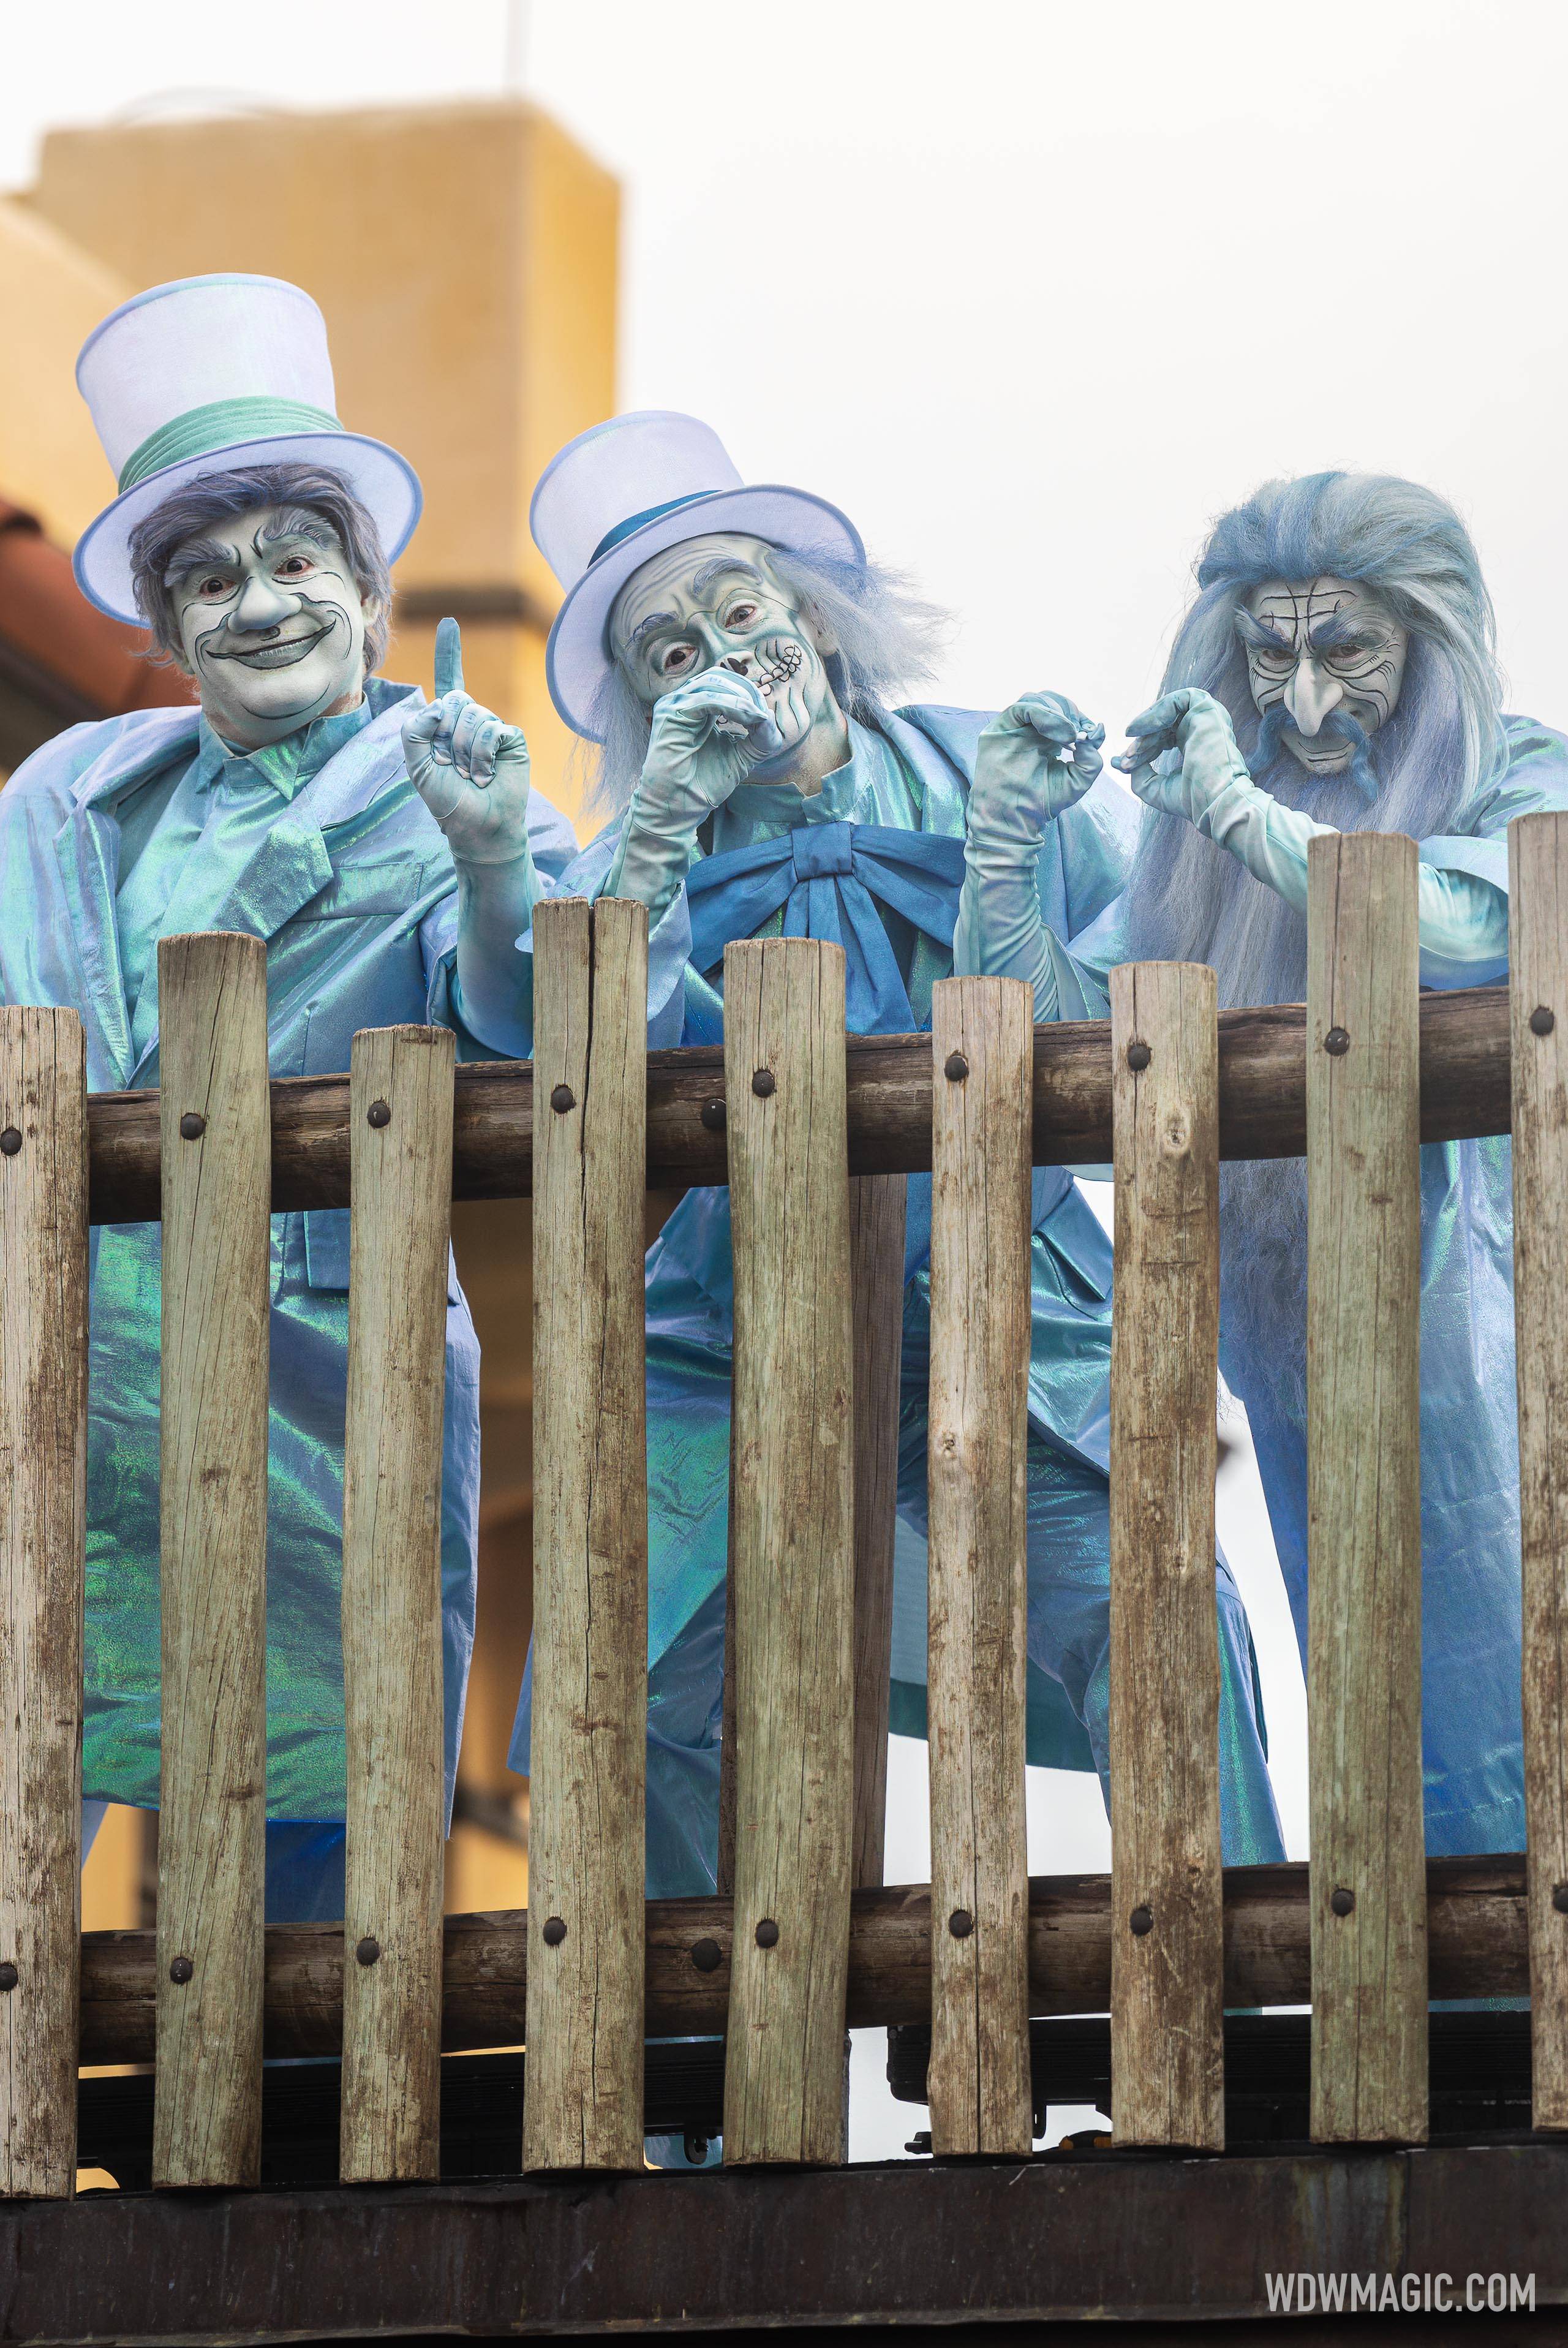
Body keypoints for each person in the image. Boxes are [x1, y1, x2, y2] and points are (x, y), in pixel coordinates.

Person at [494, 409, 1286, 1903]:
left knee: (1161, 1622)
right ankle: (672, 2106)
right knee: (634, 1668)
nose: (721, 655)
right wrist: (660, 822)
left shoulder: (997, 765)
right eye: (668, 652)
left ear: (817, 620)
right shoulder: (635, 856)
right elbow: (551, 1042)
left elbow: (1159, 990)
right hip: (730, 1323)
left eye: (739, 610)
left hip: (1018, 1307)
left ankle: (1228, 2030)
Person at [0, 273, 574, 1918]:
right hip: (63, 1371)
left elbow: (549, 1038)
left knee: (309, 1821)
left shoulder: (459, 785)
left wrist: (480, 863)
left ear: (366, 586)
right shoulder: (65, 798)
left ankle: (300, 2149)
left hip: (324, 1378)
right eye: (208, 576)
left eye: (294, 558)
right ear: (167, 630)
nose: (258, 602)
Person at [968, 469, 1568, 1855]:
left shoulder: (1513, 767)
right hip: (1289, 1317)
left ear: (1425, 640)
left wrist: (1241, 814)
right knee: (1364, 1669)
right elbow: (1076, 1038)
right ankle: (1434, 2023)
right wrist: (1005, 847)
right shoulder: (1209, 837)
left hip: (1487, 1289)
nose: (1302, 698)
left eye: (1343, 650)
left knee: (1511, 1649)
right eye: (1269, 653)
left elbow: (1474, 924)